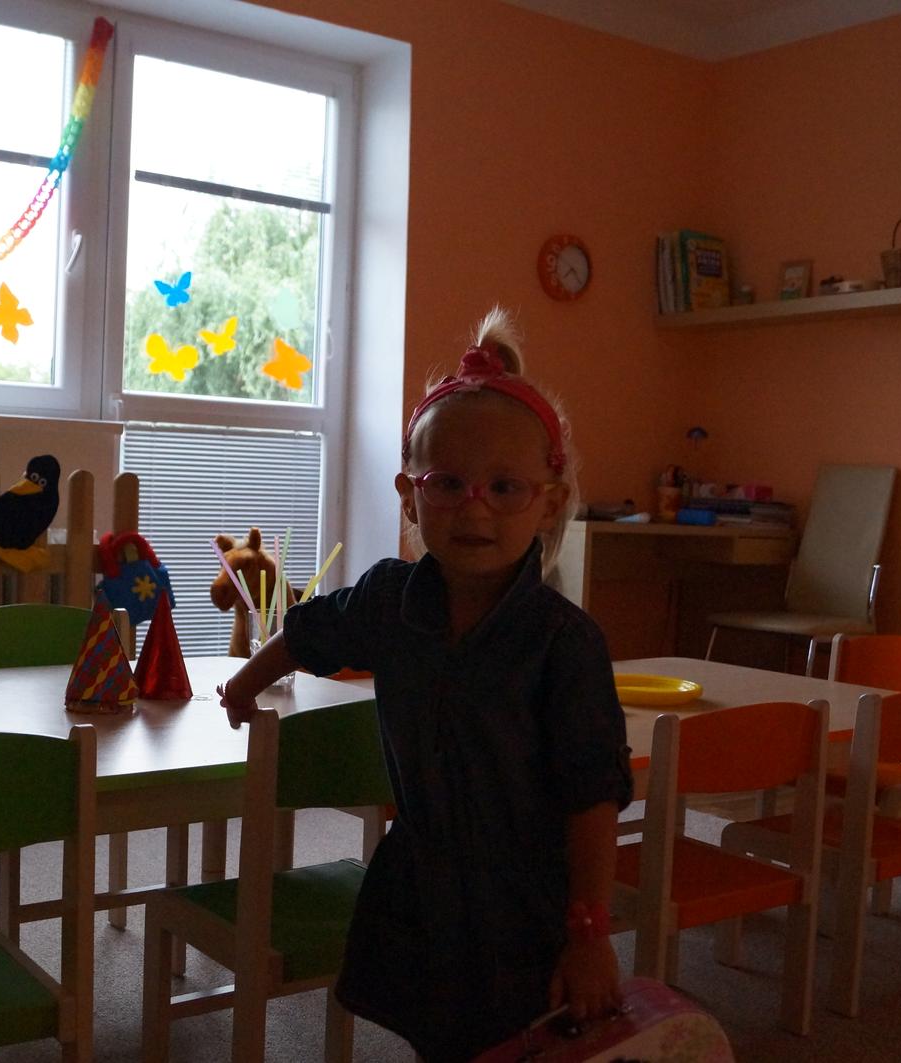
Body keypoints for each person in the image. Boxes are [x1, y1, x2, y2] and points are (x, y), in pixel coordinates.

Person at [217, 308, 633, 1062]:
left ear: (548, 500)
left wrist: (590, 934)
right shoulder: (388, 598)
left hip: (524, 904)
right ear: (410, 496)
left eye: (504, 486)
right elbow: (309, 631)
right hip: (421, 883)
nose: (475, 506)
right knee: (437, 1035)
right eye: (448, 484)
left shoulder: (565, 645)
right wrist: (244, 685)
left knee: (516, 1036)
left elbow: (592, 799)